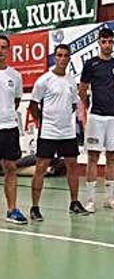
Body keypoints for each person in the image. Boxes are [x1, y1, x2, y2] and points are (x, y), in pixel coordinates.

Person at [30, 44, 87, 218]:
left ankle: (74, 203)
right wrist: (43, 122)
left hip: (67, 133)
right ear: (55, 58)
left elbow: (72, 105)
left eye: (66, 56)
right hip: (48, 132)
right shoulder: (44, 80)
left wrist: (63, 120)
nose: (62, 58)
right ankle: (35, 207)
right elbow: (33, 106)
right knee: (41, 167)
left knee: (72, 166)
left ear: (69, 59)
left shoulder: (71, 80)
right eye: (59, 55)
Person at [80, 27, 114, 212]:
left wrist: (112, 99)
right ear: (99, 43)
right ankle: (90, 200)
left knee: (112, 156)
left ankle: (109, 198)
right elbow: (82, 89)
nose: (107, 44)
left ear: (113, 42)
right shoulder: (91, 64)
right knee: (93, 157)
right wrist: (87, 107)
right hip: (96, 116)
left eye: (110, 41)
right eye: (104, 41)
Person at [0, 35, 26, 224]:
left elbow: (16, 101)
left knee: (11, 167)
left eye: (3, 47)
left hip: (9, 128)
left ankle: (12, 210)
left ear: (8, 50)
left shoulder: (15, 76)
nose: (0, 51)